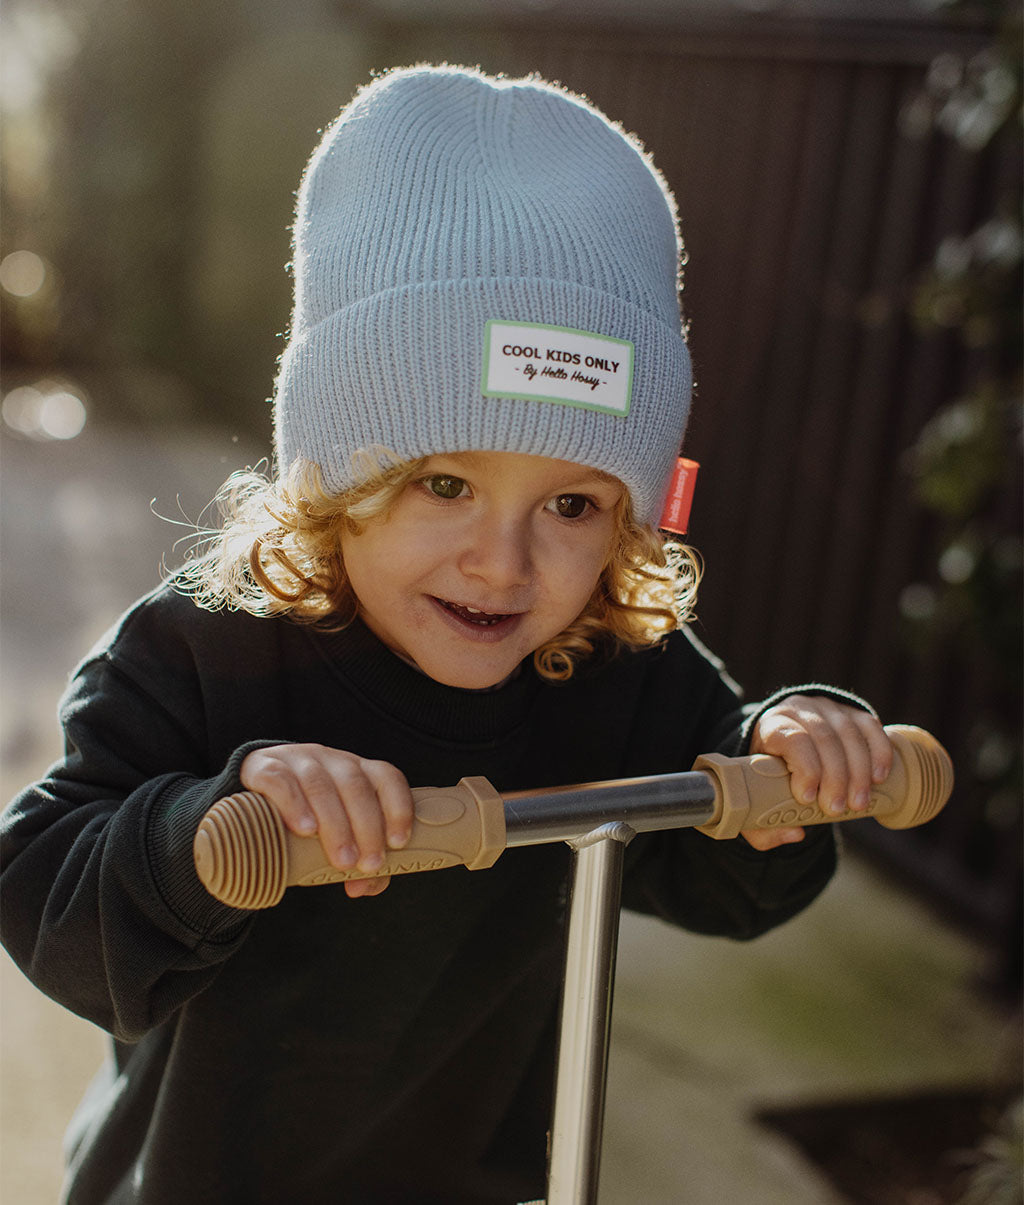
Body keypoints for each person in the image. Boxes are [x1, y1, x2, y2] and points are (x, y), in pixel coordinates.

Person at [0, 65, 893, 1204]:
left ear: (628, 516)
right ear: (333, 475)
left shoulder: (609, 668)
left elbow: (722, 873)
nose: (503, 561)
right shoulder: (207, 649)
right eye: (442, 482)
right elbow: (46, 901)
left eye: (572, 505)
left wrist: (787, 760)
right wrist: (206, 827)